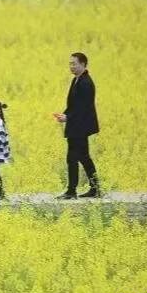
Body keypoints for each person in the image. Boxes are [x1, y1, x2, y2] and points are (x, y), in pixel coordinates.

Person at [54, 53, 100, 200]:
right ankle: (94, 188)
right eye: (70, 64)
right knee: (84, 157)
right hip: (77, 125)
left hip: (80, 127)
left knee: (73, 158)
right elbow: (73, 105)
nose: (71, 66)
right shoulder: (77, 80)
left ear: (83, 64)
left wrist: (68, 117)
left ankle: (72, 191)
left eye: (74, 64)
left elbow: (83, 108)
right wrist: (65, 115)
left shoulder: (85, 83)